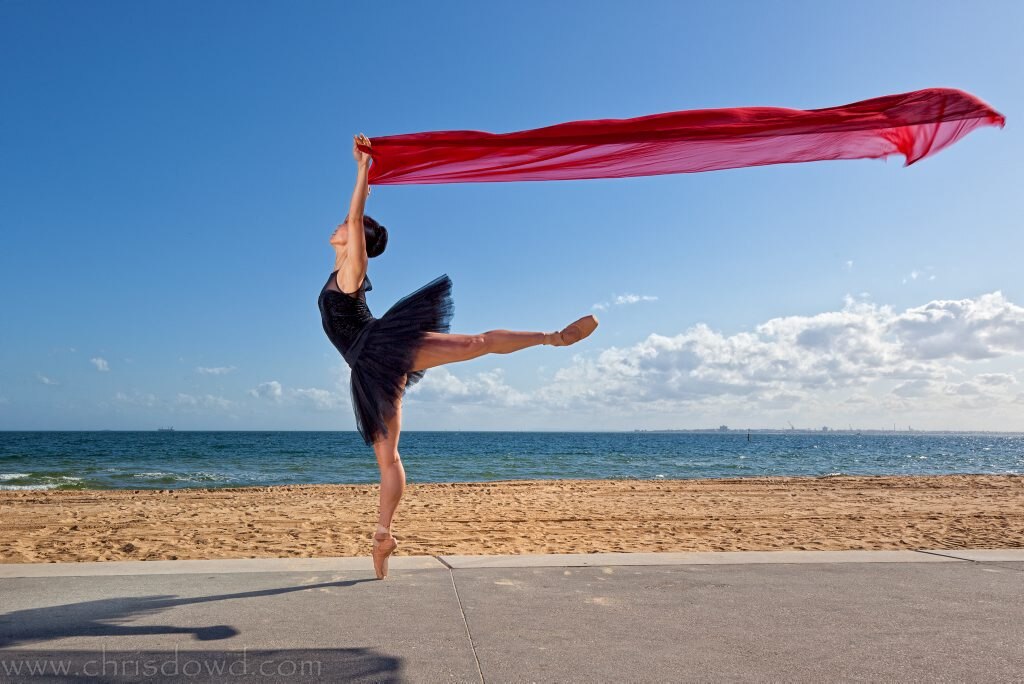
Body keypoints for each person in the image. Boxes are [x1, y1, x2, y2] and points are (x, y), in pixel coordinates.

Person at [319, 134, 599, 579]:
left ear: (358, 239)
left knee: (475, 344)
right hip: (368, 368)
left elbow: (354, 218)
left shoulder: (352, 271)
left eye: (347, 226)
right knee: (388, 460)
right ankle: (382, 534)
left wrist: (361, 171)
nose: (338, 226)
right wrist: (364, 180)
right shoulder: (339, 271)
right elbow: (354, 220)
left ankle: (554, 337)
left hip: (379, 345)